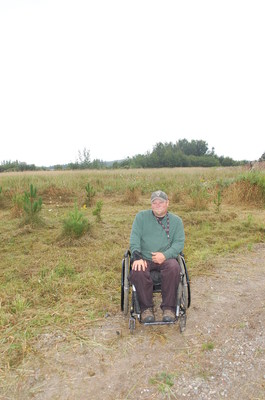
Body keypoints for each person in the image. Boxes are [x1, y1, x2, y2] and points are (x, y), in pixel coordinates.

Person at [129, 190, 185, 323]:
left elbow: (179, 243)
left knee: (174, 267)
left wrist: (165, 255)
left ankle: (169, 309)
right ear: (151, 204)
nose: (158, 204)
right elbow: (134, 238)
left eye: (161, 202)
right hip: (144, 257)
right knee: (137, 269)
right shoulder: (141, 217)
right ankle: (146, 309)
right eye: (154, 202)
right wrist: (137, 256)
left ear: (167, 203)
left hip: (166, 258)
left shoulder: (176, 221)